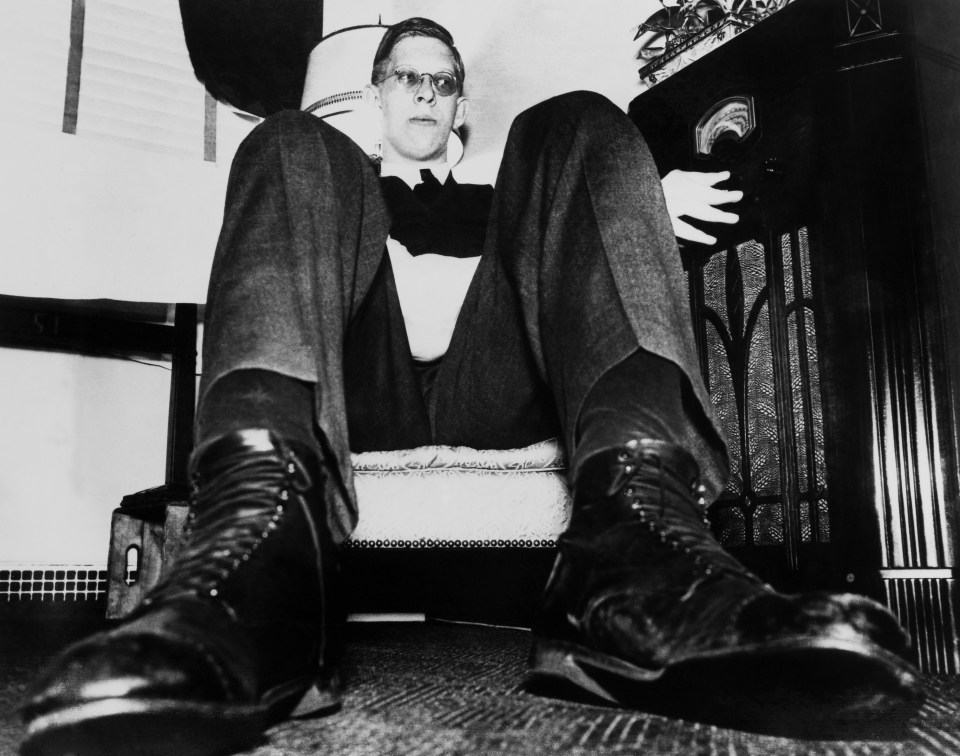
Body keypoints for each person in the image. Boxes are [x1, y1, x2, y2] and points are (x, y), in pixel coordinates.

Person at [21, 17, 922, 755]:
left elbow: (575, 236)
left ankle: (634, 553)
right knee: (286, 140)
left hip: (488, 386)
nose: (424, 91)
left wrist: (632, 192)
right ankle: (263, 573)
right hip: (358, 391)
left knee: (574, 121)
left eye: (443, 80)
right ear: (375, 98)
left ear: (457, 105)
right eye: (406, 77)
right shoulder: (336, 185)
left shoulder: (509, 194)